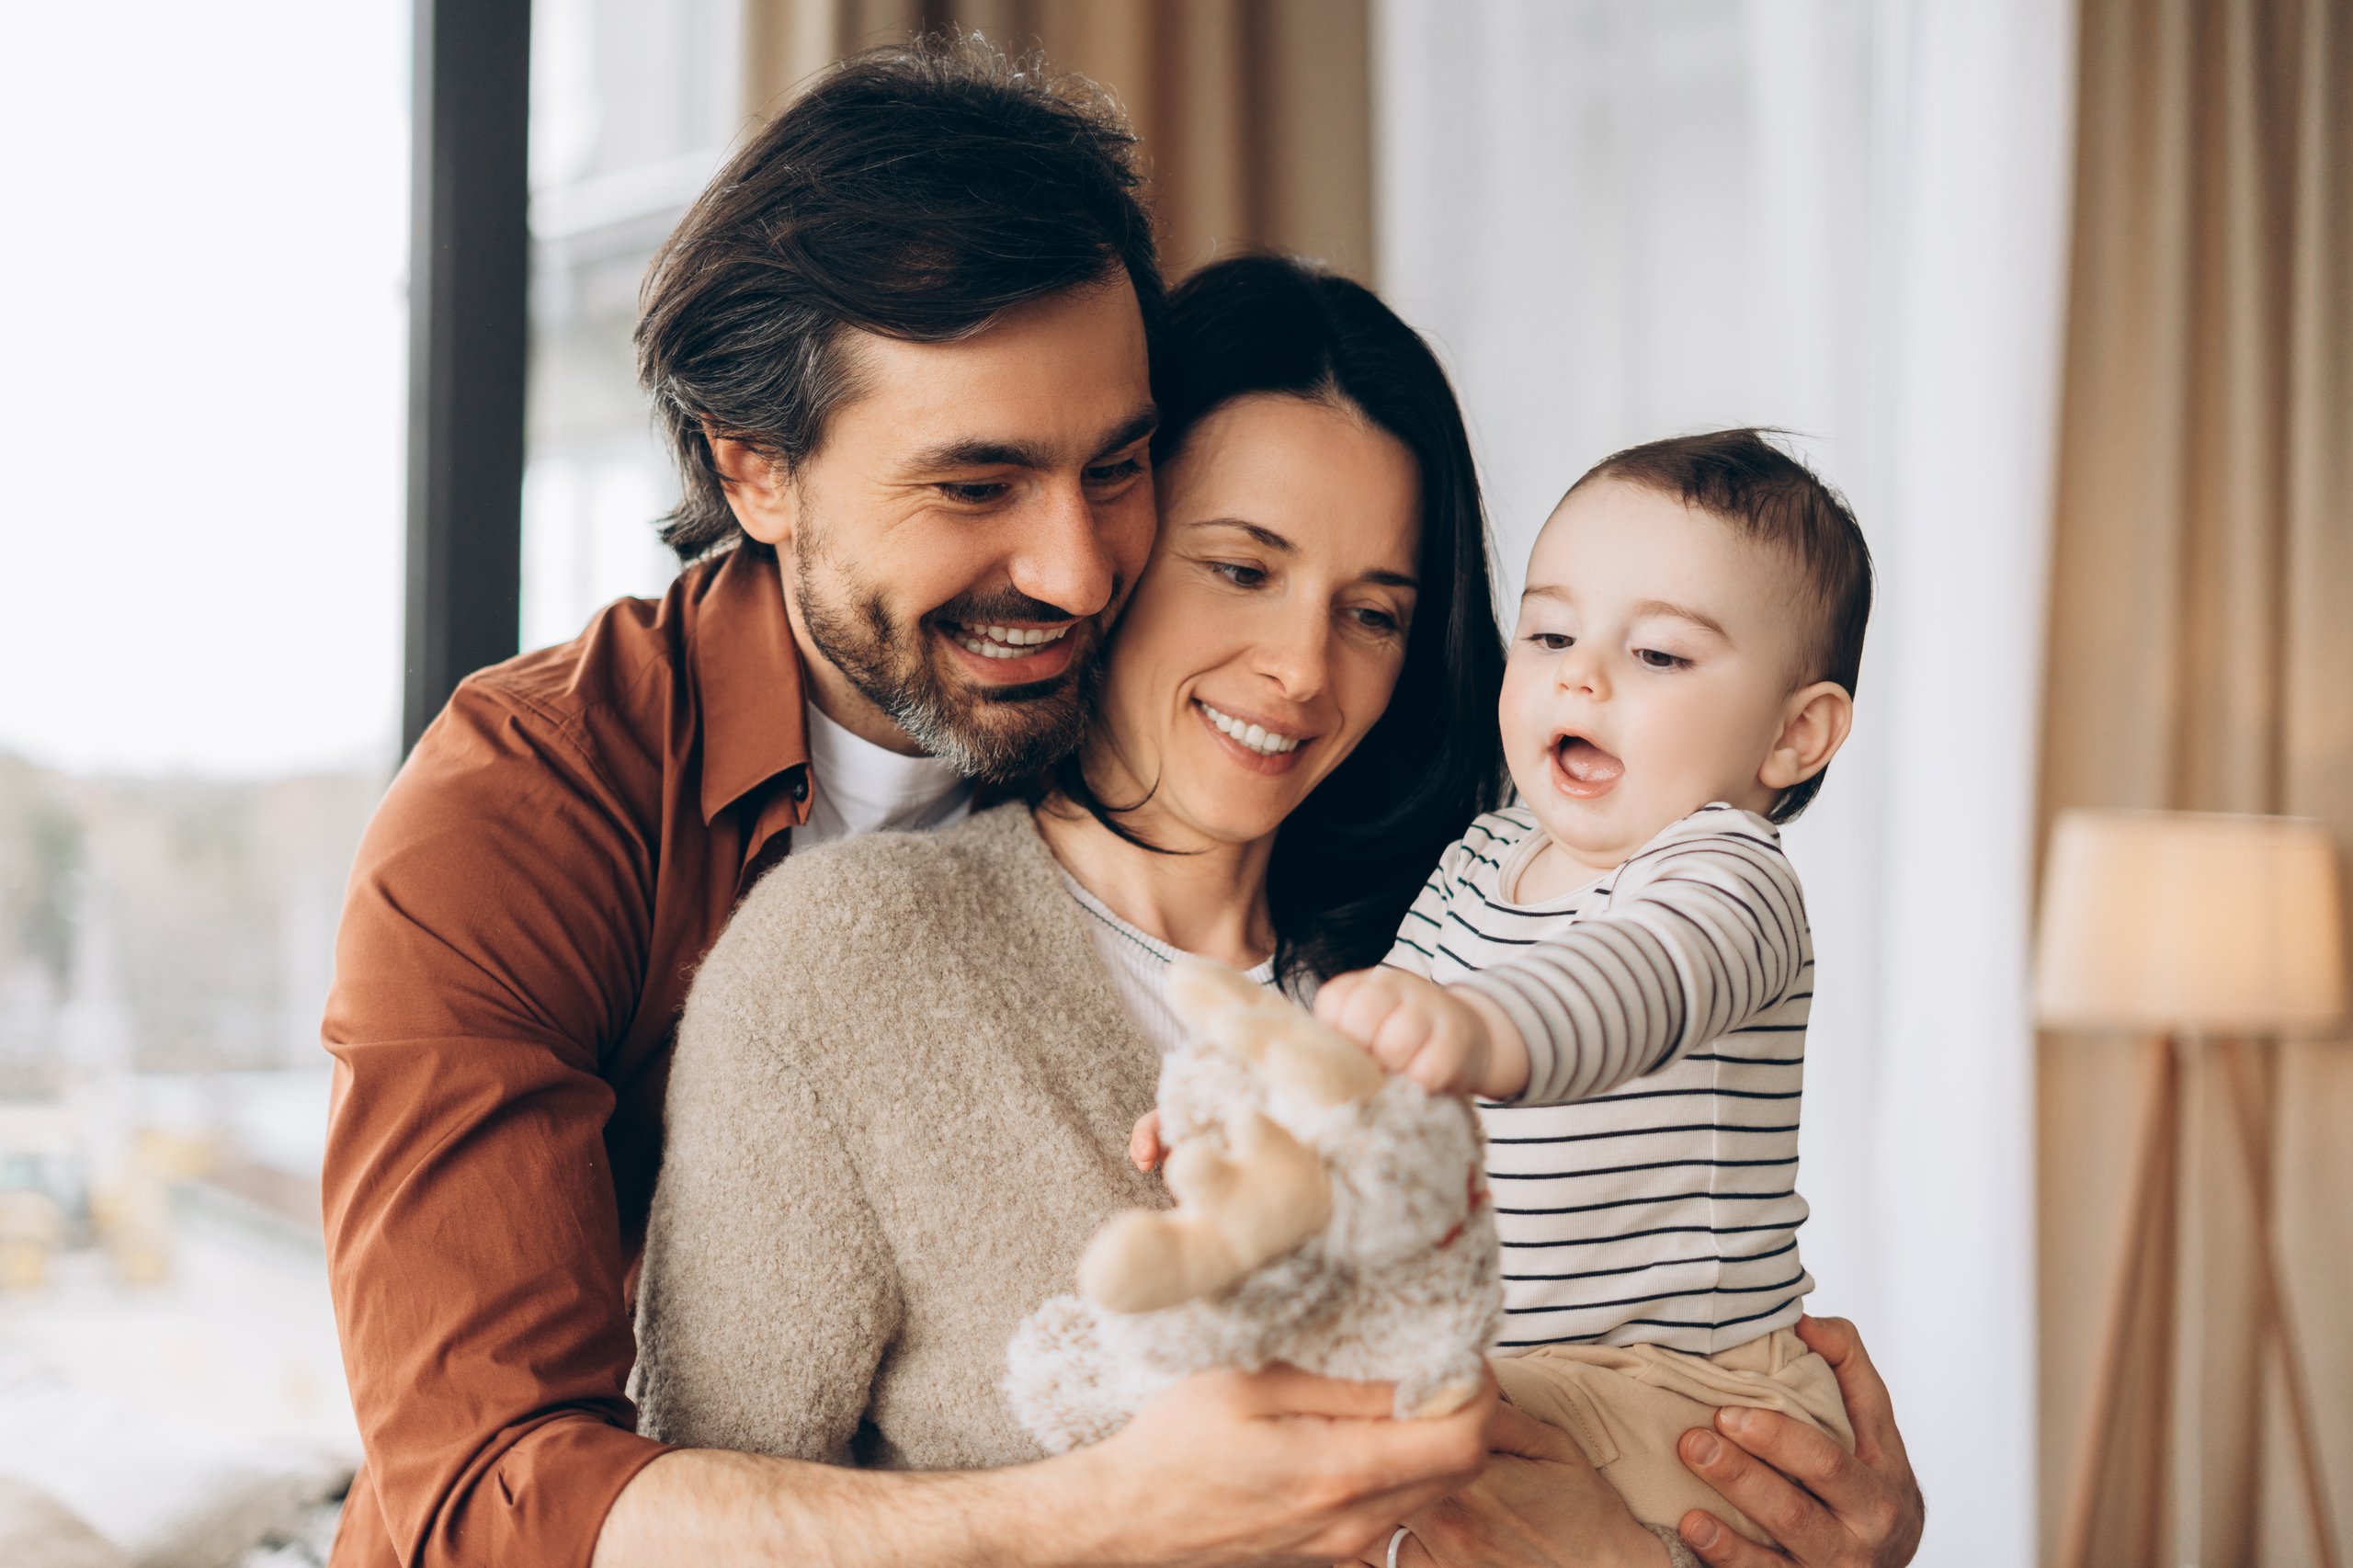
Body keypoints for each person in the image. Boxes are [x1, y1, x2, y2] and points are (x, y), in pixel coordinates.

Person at [318, 32, 1923, 1568]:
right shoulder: (551, 816)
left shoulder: (1439, 899)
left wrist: (1774, 1530)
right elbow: (489, 1504)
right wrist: (1119, 1511)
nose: (1079, 570)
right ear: (756, 471)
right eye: (977, 482)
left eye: (1115, 468)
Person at [1313, 432, 1877, 1554]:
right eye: (1551, 632)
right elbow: (1365, 1075)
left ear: (1793, 733)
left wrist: (1484, 1025)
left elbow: (1636, 981)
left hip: (1681, 1388)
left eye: (1658, 653)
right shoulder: (1482, 854)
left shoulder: (1729, 874)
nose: (1581, 676)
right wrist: (1254, 1117)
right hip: (1515, 1363)